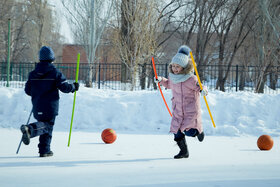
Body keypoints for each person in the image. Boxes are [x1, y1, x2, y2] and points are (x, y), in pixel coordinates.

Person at [21, 46, 79, 157]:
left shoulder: (33, 74)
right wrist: (73, 87)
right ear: (52, 58)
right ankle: (30, 129)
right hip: (50, 106)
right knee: (47, 126)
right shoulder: (55, 72)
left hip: (37, 105)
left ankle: (44, 150)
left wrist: (37, 93)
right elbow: (64, 88)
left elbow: (28, 90)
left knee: (44, 127)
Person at [154, 45, 208, 159]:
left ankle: (199, 131)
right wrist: (161, 80)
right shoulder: (173, 77)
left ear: (184, 67)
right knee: (176, 131)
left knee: (189, 132)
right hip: (178, 110)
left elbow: (201, 87)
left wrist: (204, 91)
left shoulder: (191, 79)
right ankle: (184, 152)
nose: (175, 69)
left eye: (177, 66)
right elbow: (169, 84)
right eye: (173, 66)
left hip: (190, 111)